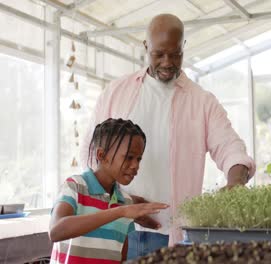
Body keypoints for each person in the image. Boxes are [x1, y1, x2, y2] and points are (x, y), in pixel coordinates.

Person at [80, 13, 256, 258]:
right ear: (146, 47)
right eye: (159, 54)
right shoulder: (115, 93)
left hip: (173, 238)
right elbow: (90, 155)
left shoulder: (202, 102)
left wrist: (235, 182)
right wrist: (124, 201)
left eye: (175, 54)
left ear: (184, 47)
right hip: (117, 231)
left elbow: (230, 147)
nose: (167, 62)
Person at [50, 118, 169, 263]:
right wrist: (120, 212)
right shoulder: (74, 186)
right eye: (129, 157)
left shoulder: (125, 202)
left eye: (139, 159)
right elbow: (56, 231)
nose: (135, 165)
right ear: (102, 155)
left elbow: (120, 257)